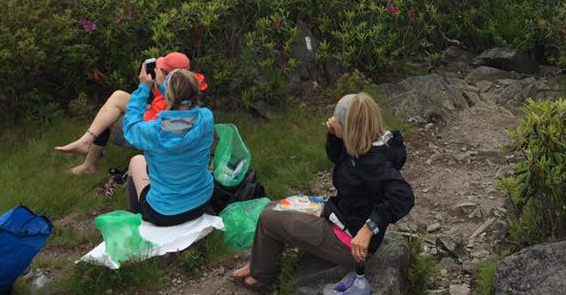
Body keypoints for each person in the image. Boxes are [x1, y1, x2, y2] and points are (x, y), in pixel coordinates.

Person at [231, 92, 414, 292]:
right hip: (341, 215)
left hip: (347, 241)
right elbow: (338, 158)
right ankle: (260, 262)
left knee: (268, 219)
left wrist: (368, 229)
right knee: (272, 207)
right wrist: (334, 135)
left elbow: (403, 196)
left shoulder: (373, 162)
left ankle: (262, 278)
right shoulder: (367, 143)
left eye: (338, 119)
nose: (332, 119)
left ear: (351, 129)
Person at [54, 51, 206, 174]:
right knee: (117, 99)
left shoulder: (165, 116)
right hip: (167, 124)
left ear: (168, 76)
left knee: (108, 118)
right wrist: (156, 84)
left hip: (154, 133)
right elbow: (172, 100)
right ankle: (86, 145)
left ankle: (88, 162)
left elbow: (141, 127)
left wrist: (144, 87)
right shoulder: (192, 95)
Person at [122, 63, 216, 225]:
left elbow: (130, 128)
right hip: (202, 201)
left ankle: (140, 220)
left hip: (164, 212)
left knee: (136, 161)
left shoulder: (153, 131)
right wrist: (166, 88)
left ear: (170, 95)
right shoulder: (206, 118)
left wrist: (144, 88)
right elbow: (182, 104)